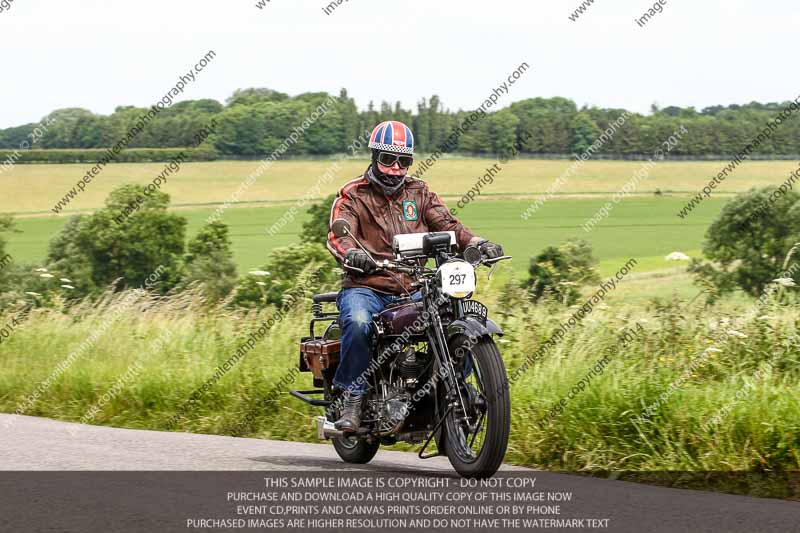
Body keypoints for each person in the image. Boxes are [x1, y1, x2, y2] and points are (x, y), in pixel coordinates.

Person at [326, 120, 504, 432]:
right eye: (388, 160)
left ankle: (450, 389)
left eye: (404, 161)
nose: (395, 168)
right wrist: (351, 254)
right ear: (374, 157)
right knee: (358, 322)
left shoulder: (420, 193)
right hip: (367, 286)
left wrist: (477, 243)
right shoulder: (353, 195)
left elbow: (448, 224)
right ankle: (352, 397)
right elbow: (338, 233)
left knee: (449, 313)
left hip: (413, 286)